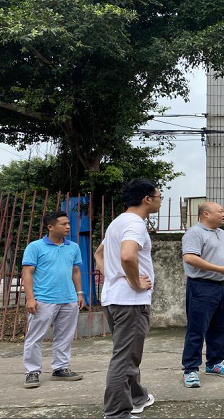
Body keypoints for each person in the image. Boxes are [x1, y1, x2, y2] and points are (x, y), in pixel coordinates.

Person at [94, 178, 160, 418]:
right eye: (159, 197)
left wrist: (114, 277)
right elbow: (128, 256)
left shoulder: (118, 222)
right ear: (147, 199)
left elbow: (98, 254)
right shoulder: (135, 223)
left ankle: (137, 396)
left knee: (128, 352)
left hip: (115, 298)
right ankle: (116, 413)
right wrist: (133, 281)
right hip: (130, 301)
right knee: (124, 358)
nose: (160, 201)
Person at [181, 202, 224, 388]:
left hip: (222, 285)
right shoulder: (194, 233)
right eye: (220, 211)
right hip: (202, 286)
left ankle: (215, 363)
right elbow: (190, 258)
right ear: (206, 214)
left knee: (220, 327)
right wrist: (220, 269)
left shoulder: (221, 233)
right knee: (197, 330)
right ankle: (190, 370)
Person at [21, 210, 85, 389]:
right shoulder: (35, 247)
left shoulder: (73, 247)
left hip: (69, 299)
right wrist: (30, 299)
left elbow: (76, 271)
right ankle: (32, 372)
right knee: (35, 337)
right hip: (43, 300)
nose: (68, 227)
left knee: (64, 336)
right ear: (50, 227)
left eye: (68, 224)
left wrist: (79, 294)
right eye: (63, 224)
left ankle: (60, 369)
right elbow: (27, 273)